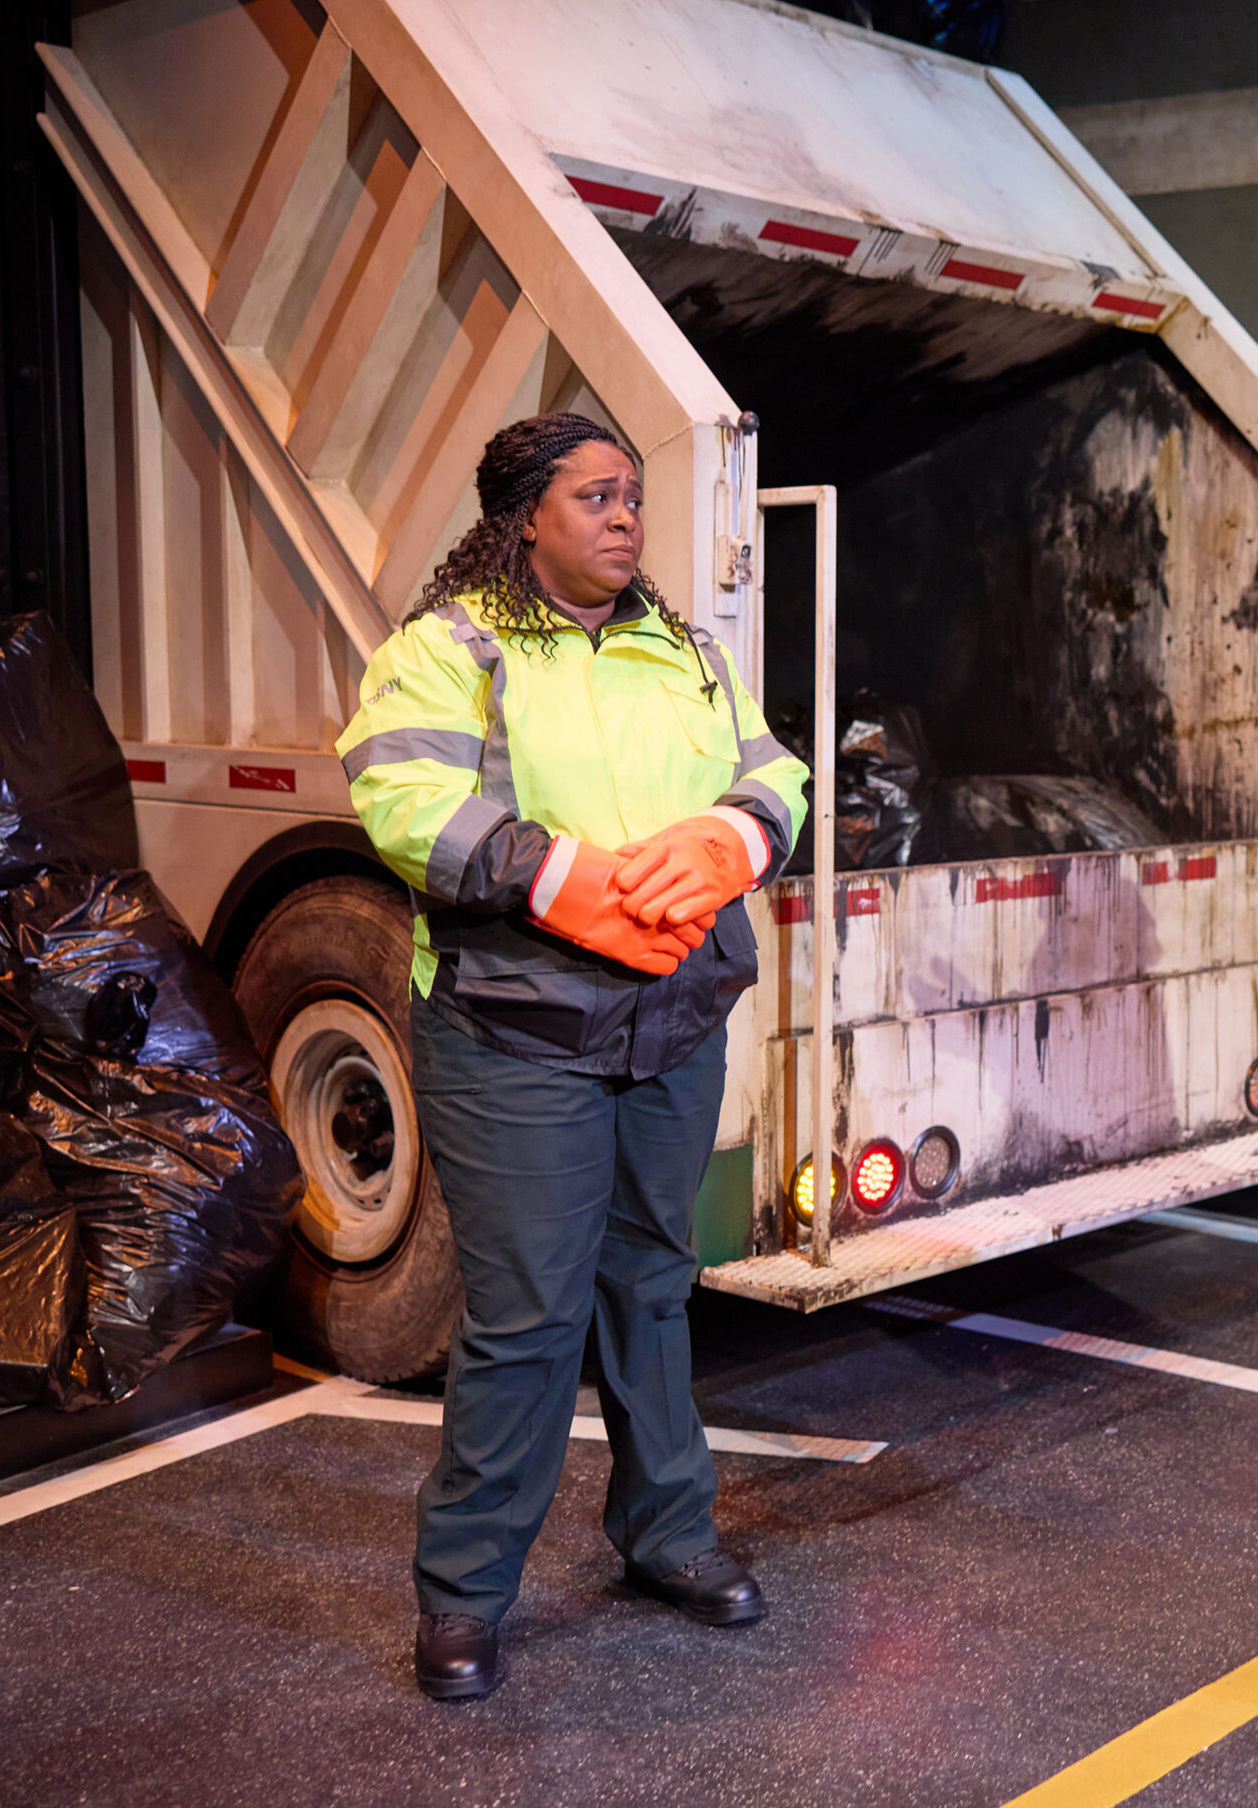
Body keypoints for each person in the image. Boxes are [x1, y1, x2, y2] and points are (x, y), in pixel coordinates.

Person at [338, 412, 808, 1702]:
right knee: (530, 1316)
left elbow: (779, 775)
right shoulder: (453, 650)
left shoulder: (685, 653)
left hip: (671, 1025)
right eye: (596, 497)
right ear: (523, 518)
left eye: (635, 500)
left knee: (654, 1284)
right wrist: (554, 874)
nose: (625, 520)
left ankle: (667, 1538)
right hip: (516, 1033)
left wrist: (732, 837)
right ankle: (465, 1594)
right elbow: (401, 796)